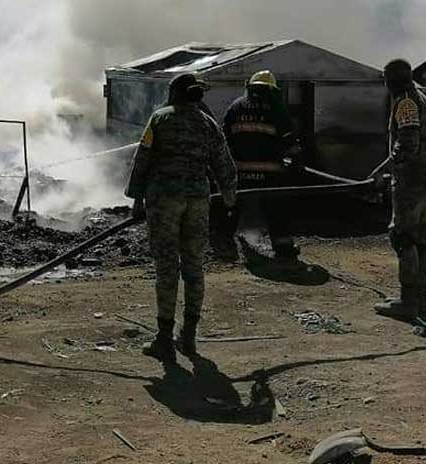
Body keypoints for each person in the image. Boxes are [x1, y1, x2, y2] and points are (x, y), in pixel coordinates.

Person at [125, 73, 237, 360]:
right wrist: (228, 195)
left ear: (174, 93)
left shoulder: (160, 119)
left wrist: (136, 197)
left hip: (164, 200)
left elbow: (143, 158)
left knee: (166, 266)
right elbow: (223, 162)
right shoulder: (208, 124)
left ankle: (164, 338)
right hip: (198, 201)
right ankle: (188, 336)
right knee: (194, 265)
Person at [374, 59, 426, 322]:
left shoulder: (406, 102)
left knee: (402, 235)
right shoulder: (423, 98)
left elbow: (407, 143)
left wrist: (384, 169)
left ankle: (408, 301)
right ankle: (419, 300)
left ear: (391, 80)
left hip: (412, 179)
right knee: (421, 236)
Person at [212, 70, 302, 262]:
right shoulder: (276, 108)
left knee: (232, 207)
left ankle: (223, 246)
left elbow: (222, 138)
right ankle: (283, 248)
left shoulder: (236, 107)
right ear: (271, 89)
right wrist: (296, 162)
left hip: (240, 171)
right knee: (276, 210)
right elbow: (290, 141)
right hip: (270, 173)